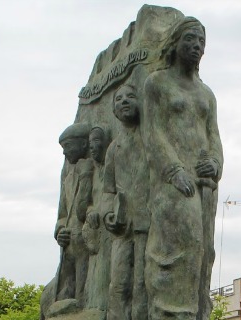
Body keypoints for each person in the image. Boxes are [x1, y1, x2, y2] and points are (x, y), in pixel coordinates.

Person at [142, 16, 223, 320]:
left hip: (204, 186)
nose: (197, 46)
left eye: (201, 41)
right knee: (174, 251)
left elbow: (214, 136)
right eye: (190, 39)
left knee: (203, 253)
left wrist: (215, 162)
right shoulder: (157, 84)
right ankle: (168, 313)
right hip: (172, 183)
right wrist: (174, 170)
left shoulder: (206, 94)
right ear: (175, 43)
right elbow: (152, 134)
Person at [102, 84, 150, 320]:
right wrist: (108, 214)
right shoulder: (113, 148)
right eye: (118, 99)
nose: (124, 101)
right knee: (119, 284)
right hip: (121, 227)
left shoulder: (150, 140)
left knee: (142, 285)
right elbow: (107, 190)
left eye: (130, 97)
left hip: (147, 223)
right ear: (114, 111)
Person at [54, 123, 94, 304]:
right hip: (68, 243)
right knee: (63, 293)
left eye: (68, 146)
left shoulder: (95, 169)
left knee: (83, 293)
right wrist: (59, 230)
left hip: (86, 241)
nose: (64, 153)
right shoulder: (67, 178)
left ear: (83, 144)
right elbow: (63, 213)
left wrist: (86, 175)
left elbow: (84, 208)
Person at [82, 126, 112, 311]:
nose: (93, 147)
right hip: (95, 232)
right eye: (91, 142)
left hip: (110, 229)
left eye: (97, 141)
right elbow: (88, 202)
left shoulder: (113, 165)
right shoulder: (93, 172)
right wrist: (91, 210)